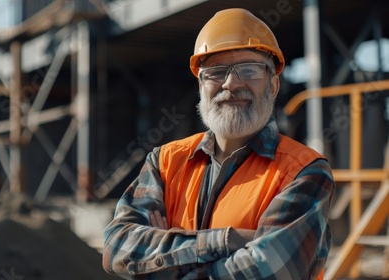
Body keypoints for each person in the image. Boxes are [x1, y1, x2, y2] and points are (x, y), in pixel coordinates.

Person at [102, 8, 334, 280]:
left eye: (249, 70)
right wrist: (226, 241)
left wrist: (163, 259)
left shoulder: (304, 171)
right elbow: (116, 248)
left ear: (273, 86)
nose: (231, 83)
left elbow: (270, 271)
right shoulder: (165, 161)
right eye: (216, 72)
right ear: (201, 86)